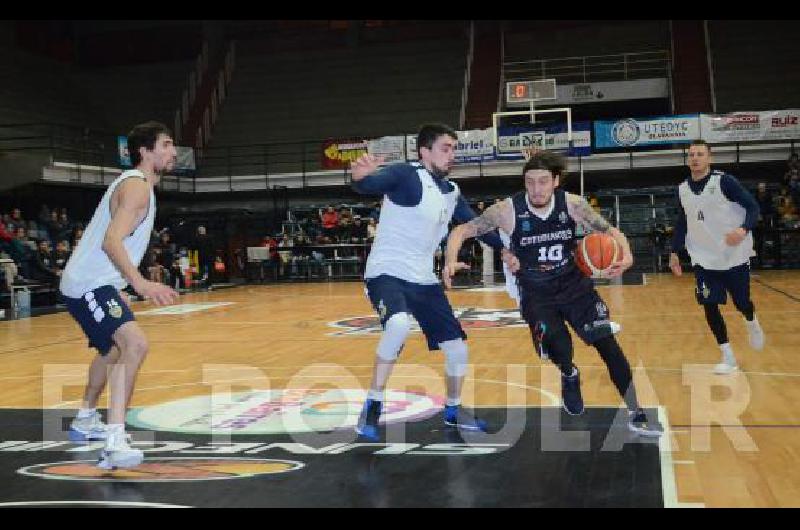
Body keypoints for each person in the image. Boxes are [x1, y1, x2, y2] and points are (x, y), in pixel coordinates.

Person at [444, 148, 663, 436]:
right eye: (530, 181)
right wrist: (450, 260)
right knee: (562, 348)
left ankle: (637, 411)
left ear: (556, 181)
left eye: (543, 181)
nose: (536, 189)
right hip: (537, 294)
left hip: (575, 287)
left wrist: (628, 255)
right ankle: (569, 373)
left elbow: (611, 231)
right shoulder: (507, 210)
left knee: (607, 344)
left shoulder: (573, 205)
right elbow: (462, 230)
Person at [349, 123, 510, 441]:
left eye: (454, 148)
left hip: (423, 278)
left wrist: (505, 249)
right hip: (387, 271)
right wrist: (360, 178)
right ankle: (372, 405)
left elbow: (474, 225)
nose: (452, 154)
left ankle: (453, 410)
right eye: (445, 148)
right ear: (425, 151)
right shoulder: (406, 175)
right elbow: (372, 184)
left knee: (458, 349)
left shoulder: (452, 193)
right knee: (396, 325)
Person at [59, 121, 179, 469]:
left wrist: (118, 286)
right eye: (167, 144)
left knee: (113, 349)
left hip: (95, 283)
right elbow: (111, 241)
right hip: (88, 284)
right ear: (145, 151)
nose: (173, 152)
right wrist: (140, 285)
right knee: (135, 345)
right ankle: (114, 441)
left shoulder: (140, 187)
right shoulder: (137, 187)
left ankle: (85, 421)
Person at [669, 139, 764, 375]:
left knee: (742, 303)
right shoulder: (682, 189)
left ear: (709, 158)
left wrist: (742, 230)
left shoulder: (724, 181)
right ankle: (728, 356)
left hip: (733, 256)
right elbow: (683, 222)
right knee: (709, 306)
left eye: (700, 154)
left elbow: (753, 208)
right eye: (691, 154)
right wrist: (674, 251)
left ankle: (751, 321)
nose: (695, 158)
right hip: (703, 259)